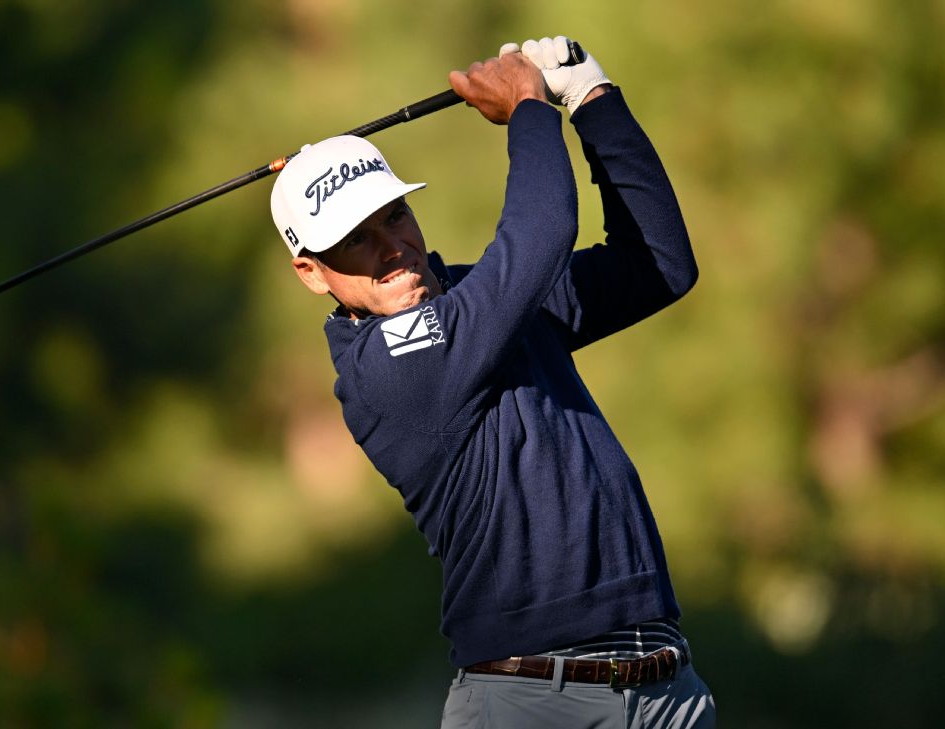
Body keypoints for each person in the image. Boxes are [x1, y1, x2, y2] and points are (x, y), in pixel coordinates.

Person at [270, 36, 715, 728]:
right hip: (529, 703)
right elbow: (541, 235)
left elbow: (659, 263)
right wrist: (529, 109)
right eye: (355, 239)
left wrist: (593, 102)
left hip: (666, 691)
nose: (391, 248)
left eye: (395, 215)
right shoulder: (385, 368)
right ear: (311, 273)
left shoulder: (485, 305)